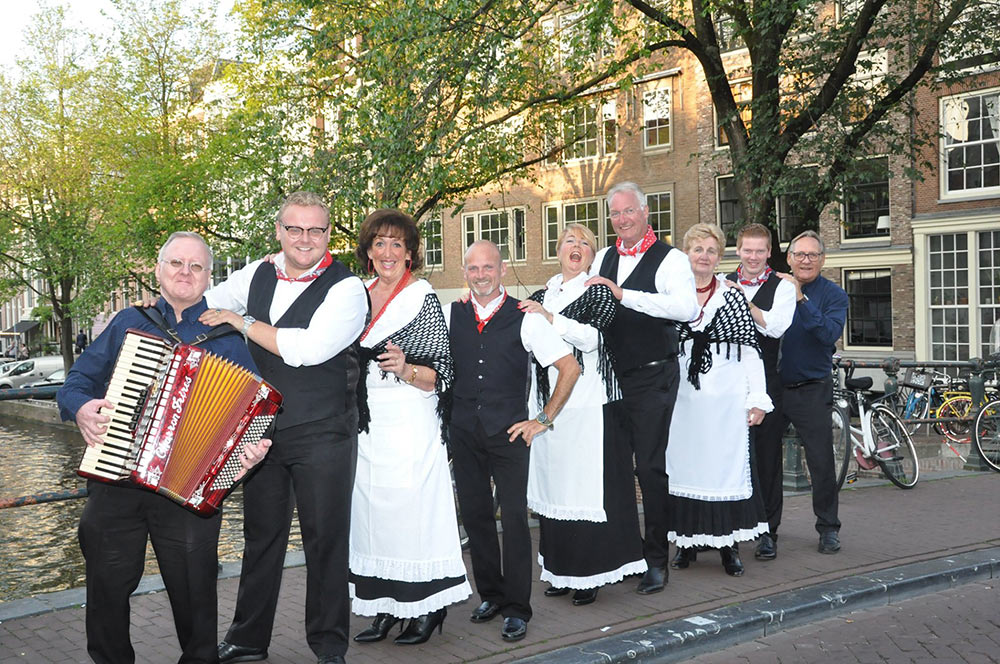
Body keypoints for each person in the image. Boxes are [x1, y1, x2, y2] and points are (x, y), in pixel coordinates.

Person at [56, 232, 271, 664]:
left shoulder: (226, 338)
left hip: (186, 492)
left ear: (209, 276)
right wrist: (81, 409)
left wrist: (254, 450)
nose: (185, 273)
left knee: (196, 594)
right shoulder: (128, 322)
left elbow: (257, 412)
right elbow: (75, 384)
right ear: (159, 270)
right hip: (118, 478)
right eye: (176, 263)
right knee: (106, 587)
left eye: (195, 266)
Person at [205, 191, 369, 664]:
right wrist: (152, 313)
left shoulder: (347, 288)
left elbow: (307, 348)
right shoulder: (256, 272)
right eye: (294, 229)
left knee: (326, 539)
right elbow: (205, 303)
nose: (305, 239)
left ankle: (328, 645)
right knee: (261, 537)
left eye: (316, 230)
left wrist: (242, 321)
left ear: (328, 234)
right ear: (279, 231)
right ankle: (248, 640)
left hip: (324, 430)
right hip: (259, 431)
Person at [445, 240, 579, 643]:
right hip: (464, 432)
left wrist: (542, 420)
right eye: (473, 268)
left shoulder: (526, 316)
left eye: (488, 267)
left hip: (509, 433)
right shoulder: (452, 314)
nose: (481, 275)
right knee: (476, 515)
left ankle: (518, 608)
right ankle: (491, 594)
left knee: (516, 520)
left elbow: (569, 368)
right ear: (465, 272)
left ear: (502, 270)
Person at [348, 209, 471, 645]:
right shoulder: (356, 296)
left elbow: (442, 374)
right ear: (367, 251)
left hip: (410, 416)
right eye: (379, 243)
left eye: (396, 244)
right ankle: (384, 606)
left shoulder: (422, 297)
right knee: (372, 513)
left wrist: (405, 368)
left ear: (410, 254)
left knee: (413, 513)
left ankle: (427, 608)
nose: (387, 252)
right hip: (368, 423)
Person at [520, 223, 646, 606]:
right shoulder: (543, 292)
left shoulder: (598, 290)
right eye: (570, 241)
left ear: (593, 255)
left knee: (586, 490)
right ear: (558, 249)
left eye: (586, 243)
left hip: (591, 404)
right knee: (555, 487)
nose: (577, 247)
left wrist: (549, 318)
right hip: (549, 405)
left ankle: (589, 573)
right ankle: (559, 569)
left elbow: (593, 338)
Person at [585, 181, 699, 593]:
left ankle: (656, 561)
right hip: (612, 378)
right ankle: (621, 553)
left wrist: (625, 295)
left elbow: (687, 308)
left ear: (645, 212)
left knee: (649, 467)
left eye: (628, 211)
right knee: (613, 468)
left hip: (653, 374)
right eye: (615, 214)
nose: (621, 219)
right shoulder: (603, 256)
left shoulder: (671, 259)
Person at [666, 223, 771, 577]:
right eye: (698, 249)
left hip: (725, 399)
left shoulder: (732, 296)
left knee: (723, 471)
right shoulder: (671, 295)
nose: (705, 257)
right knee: (684, 468)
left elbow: (750, 352)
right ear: (687, 253)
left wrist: (757, 399)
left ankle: (728, 547)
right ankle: (686, 542)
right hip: (682, 400)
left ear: (720, 255)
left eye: (711, 250)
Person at [724, 223, 796, 561]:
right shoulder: (719, 282)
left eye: (759, 250)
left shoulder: (781, 287)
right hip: (725, 384)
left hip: (767, 382)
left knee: (767, 459)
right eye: (747, 250)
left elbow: (777, 326)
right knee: (729, 458)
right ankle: (729, 531)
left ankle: (768, 531)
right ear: (738, 250)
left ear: (769, 252)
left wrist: (742, 302)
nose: (753, 256)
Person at [778, 230, 849, 555]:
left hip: (812, 388)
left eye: (812, 255)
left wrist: (802, 300)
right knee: (763, 462)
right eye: (800, 254)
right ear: (789, 258)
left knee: (820, 462)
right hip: (773, 388)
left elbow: (828, 336)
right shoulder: (773, 287)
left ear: (822, 260)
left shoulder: (834, 296)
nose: (805, 260)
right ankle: (766, 530)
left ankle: (828, 528)